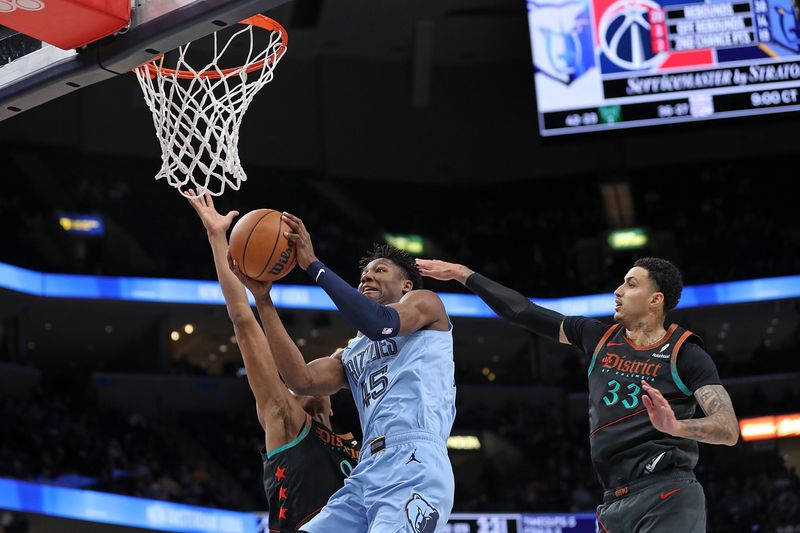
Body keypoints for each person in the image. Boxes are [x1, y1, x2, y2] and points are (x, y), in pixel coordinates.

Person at [416, 257, 739, 533]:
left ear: (655, 300)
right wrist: (463, 273)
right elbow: (522, 311)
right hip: (614, 499)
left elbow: (728, 429)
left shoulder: (685, 353)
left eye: (630, 284)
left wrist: (678, 427)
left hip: (667, 493)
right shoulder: (598, 337)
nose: (618, 291)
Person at [244, 211, 456, 533]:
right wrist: (263, 300)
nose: (366, 278)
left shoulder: (425, 305)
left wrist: (314, 266)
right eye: (363, 276)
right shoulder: (353, 352)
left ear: (406, 284)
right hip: (366, 470)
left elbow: (379, 323)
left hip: (414, 459)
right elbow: (300, 379)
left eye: (379, 271)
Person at [186, 192, 358, 533]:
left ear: (332, 402)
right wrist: (218, 236)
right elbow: (243, 321)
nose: (303, 381)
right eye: (296, 384)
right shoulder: (285, 417)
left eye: (312, 373)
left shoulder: (356, 451)